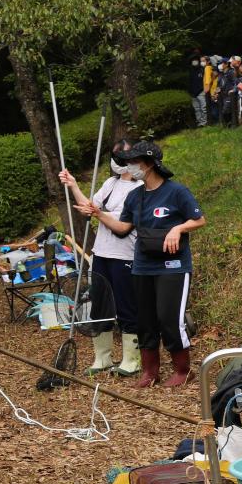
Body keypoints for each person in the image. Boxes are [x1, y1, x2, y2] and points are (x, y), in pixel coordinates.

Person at [91, 140, 205, 387]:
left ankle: (183, 370)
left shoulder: (176, 192)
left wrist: (177, 228)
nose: (130, 167)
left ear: (150, 164)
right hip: (142, 265)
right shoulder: (135, 196)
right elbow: (123, 227)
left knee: (169, 317)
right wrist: (97, 213)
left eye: (134, 162)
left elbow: (198, 220)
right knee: (145, 319)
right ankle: (150, 372)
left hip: (173, 267)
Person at [58, 143, 143, 374]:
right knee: (100, 306)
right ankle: (103, 358)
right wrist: (73, 184)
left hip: (124, 255)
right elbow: (90, 207)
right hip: (101, 254)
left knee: (126, 306)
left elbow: (121, 227)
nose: (116, 159)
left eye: (121, 153)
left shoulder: (141, 188)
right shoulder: (110, 183)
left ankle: (132, 360)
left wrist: (97, 213)